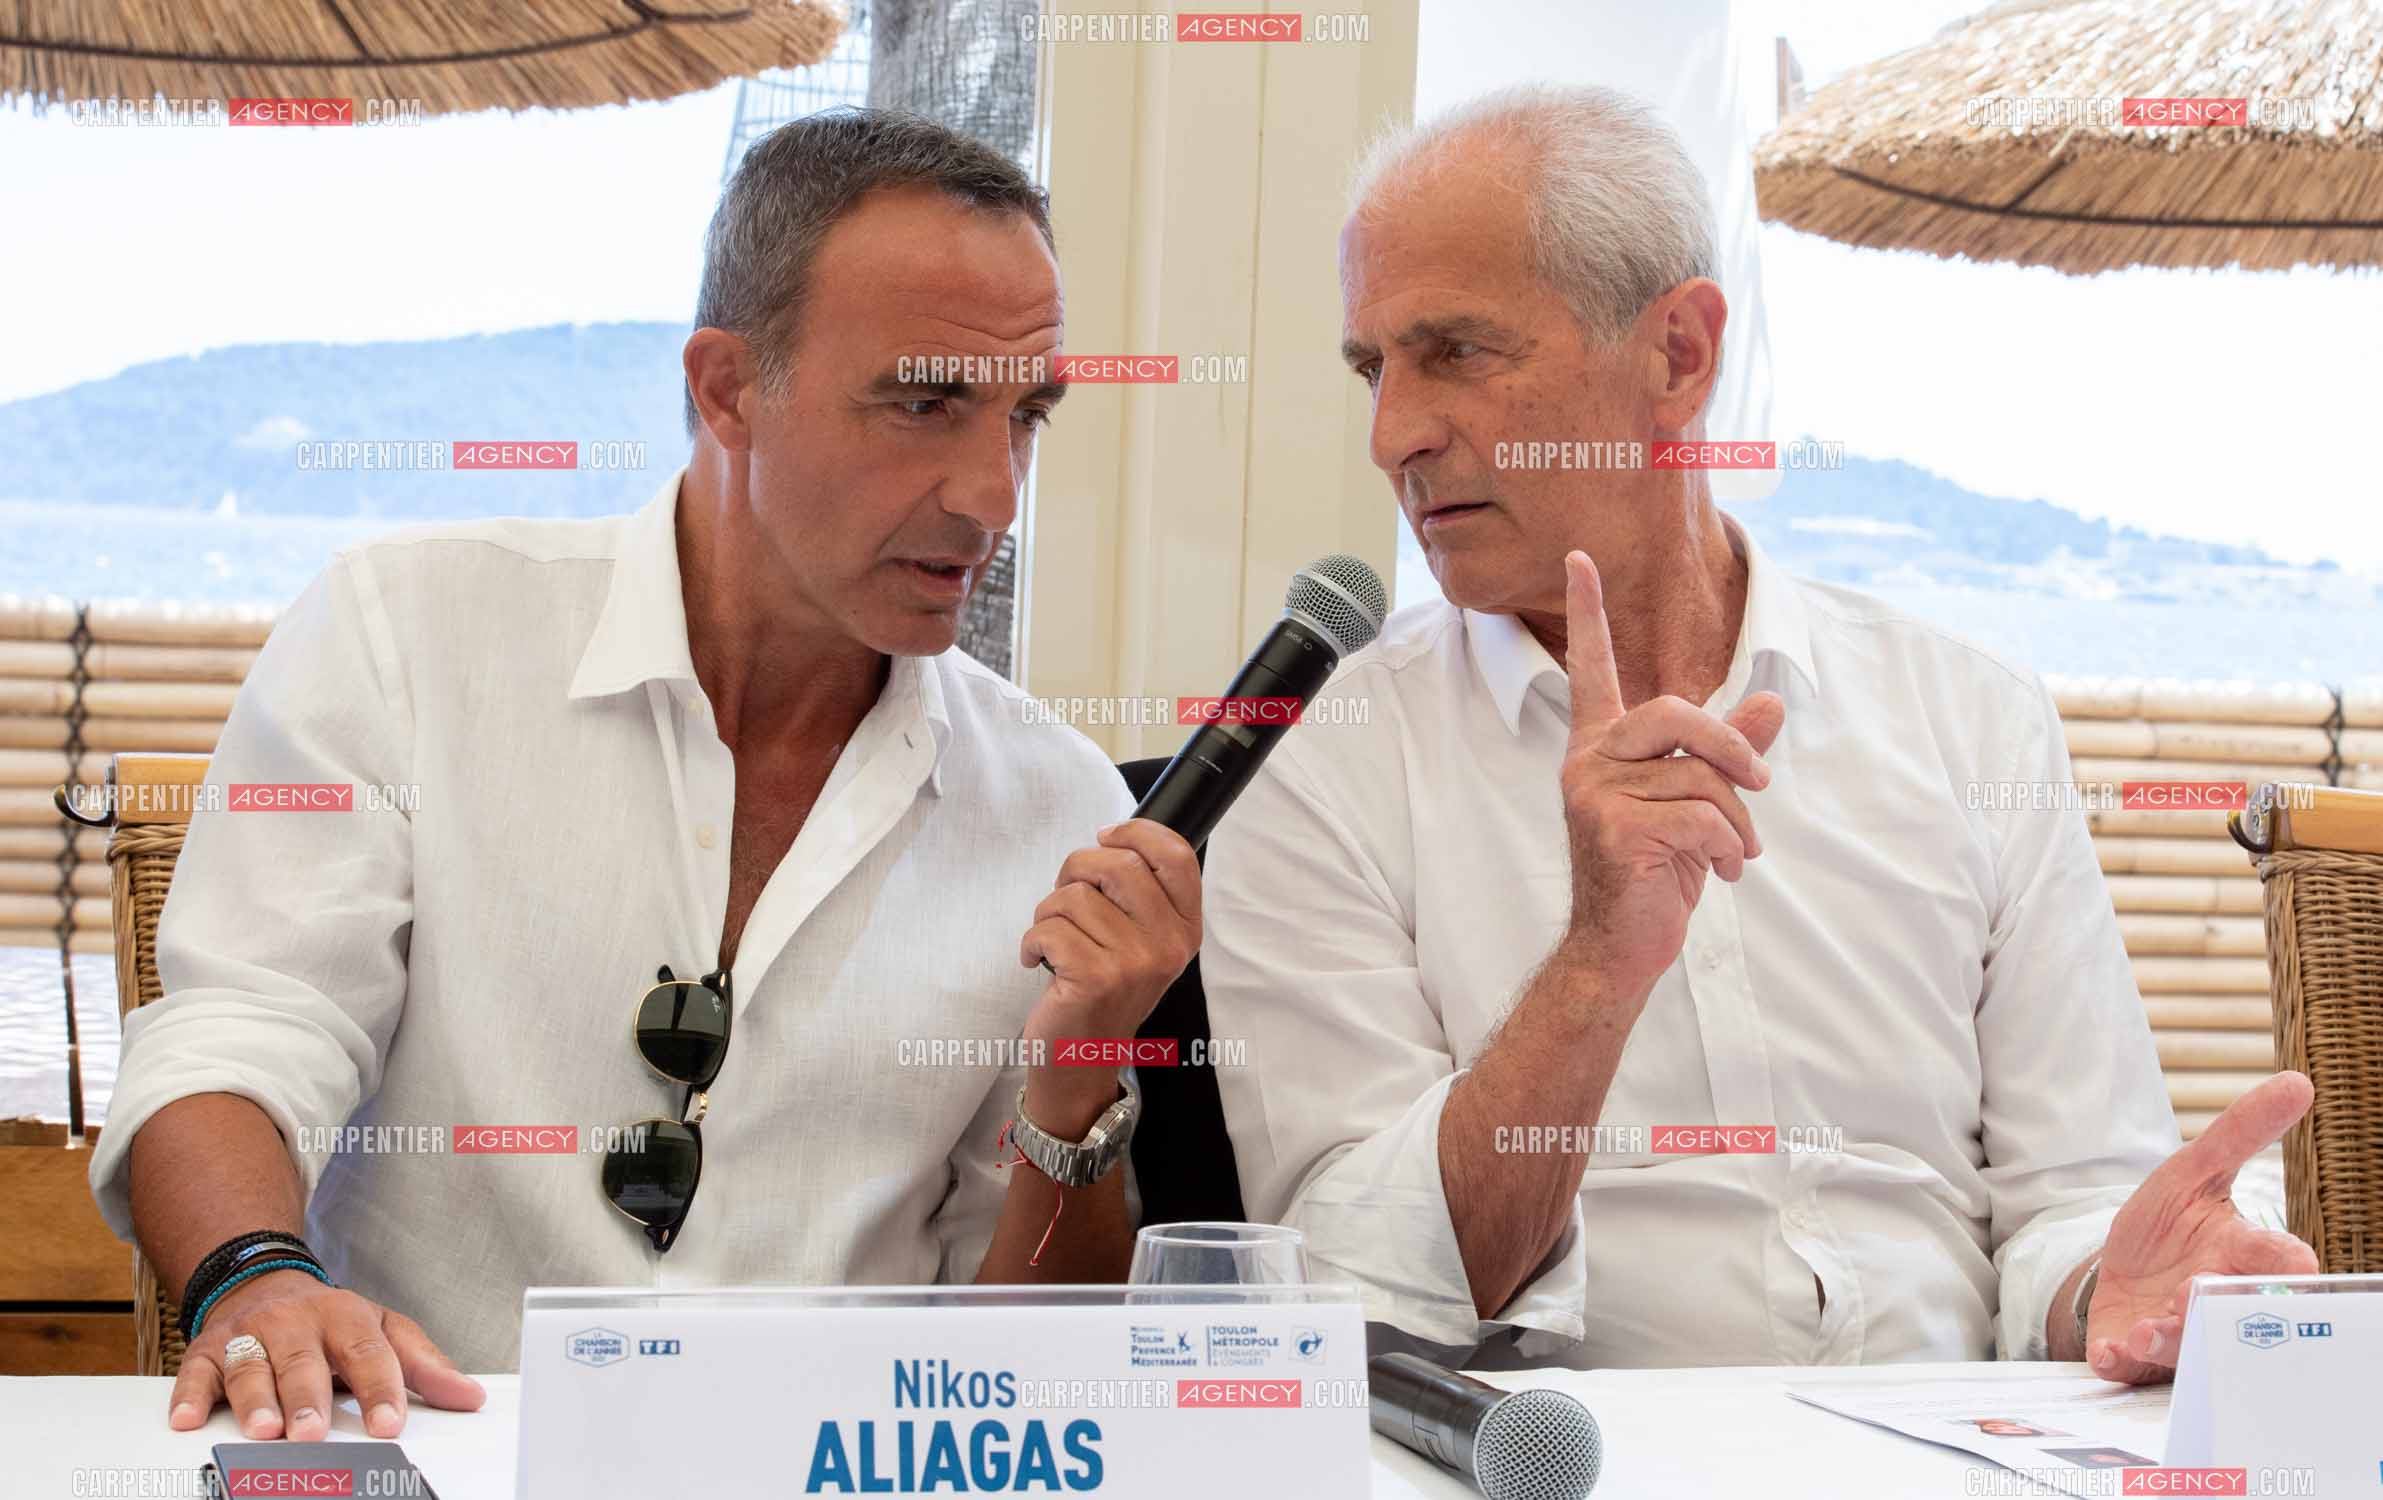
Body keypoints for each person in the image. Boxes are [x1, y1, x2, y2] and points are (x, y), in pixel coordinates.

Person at [89, 108, 1199, 1441]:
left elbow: (1031, 1379)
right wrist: (258, 1276)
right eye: (924, 404)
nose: (993, 495)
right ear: (729, 389)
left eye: (1026, 416)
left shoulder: (1058, 806)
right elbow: (237, 1039)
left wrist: (1080, 1077)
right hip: (433, 1450)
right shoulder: (408, 638)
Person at [1200, 84, 2315, 1382]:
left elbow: (2074, 1201)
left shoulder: (1970, 718)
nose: (1393, 434)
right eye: (1371, 368)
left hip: (1953, 1444)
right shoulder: (1316, 769)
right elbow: (1353, 1290)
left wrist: (2115, 1290)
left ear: (1678, 354)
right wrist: (1594, 970)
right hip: (1568, 1458)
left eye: (1455, 352)